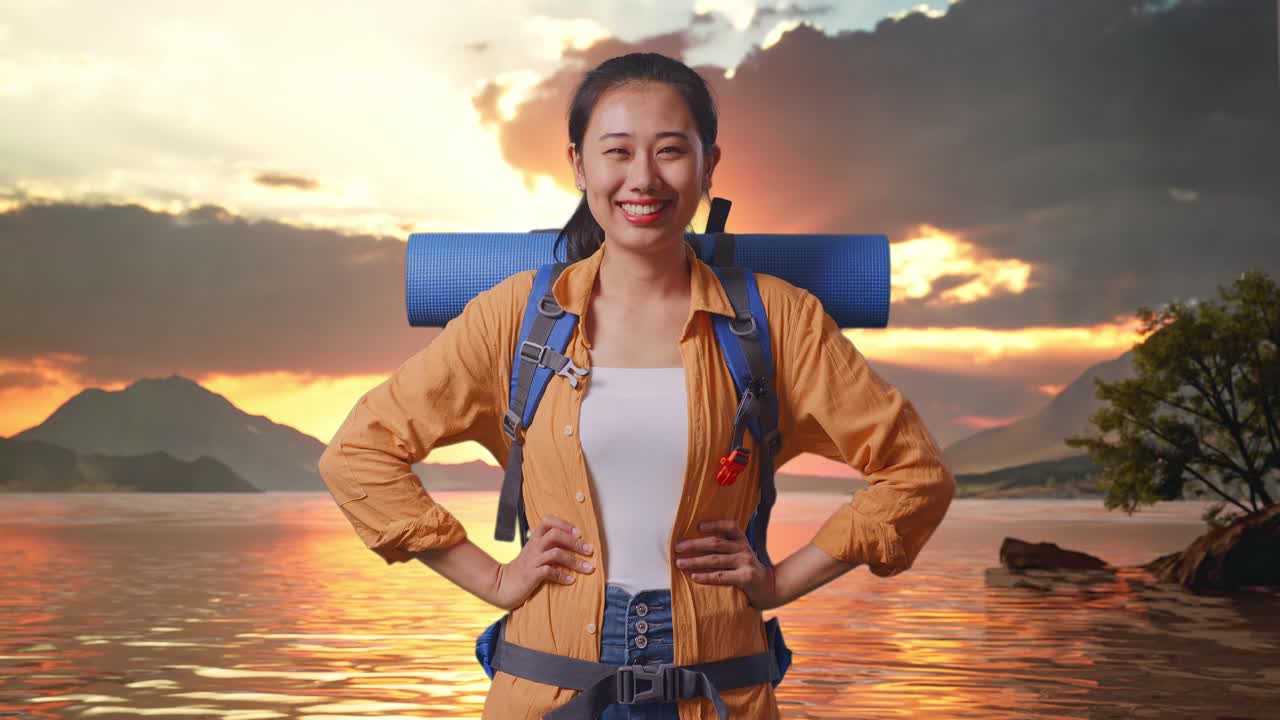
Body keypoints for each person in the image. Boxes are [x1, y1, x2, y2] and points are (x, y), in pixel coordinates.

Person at [318, 52, 956, 720]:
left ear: (709, 165)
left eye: (671, 151)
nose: (643, 178)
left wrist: (779, 582)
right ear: (579, 165)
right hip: (544, 689)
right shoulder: (514, 317)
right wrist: (494, 580)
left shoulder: (779, 319)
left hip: (721, 692)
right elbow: (359, 453)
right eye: (617, 150)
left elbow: (916, 474)